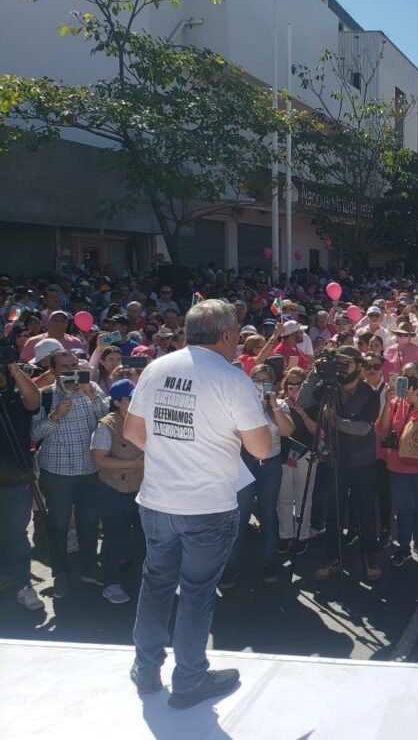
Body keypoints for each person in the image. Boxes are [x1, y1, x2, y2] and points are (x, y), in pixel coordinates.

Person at [123, 299, 271, 709]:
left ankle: (146, 669)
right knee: (196, 593)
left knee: (155, 585)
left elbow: (134, 432)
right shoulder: (232, 378)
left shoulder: (156, 367)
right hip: (207, 506)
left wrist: (174, 452)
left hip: (156, 500)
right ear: (226, 335)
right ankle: (189, 679)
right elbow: (260, 447)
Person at [299, 346, 382, 582]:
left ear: (359, 366)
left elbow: (363, 428)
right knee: (334, 511)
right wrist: (316, 372)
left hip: (362, 462)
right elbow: (303, 400)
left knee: (365, 511)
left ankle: (369, 556)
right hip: (334, 460)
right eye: (339, 363)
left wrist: (333, 419)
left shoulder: (369, 394)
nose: (342, 368)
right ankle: (332, 557)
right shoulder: (326, 389)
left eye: (346, 363)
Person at [31, 348, 108, 597]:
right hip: (57, 473)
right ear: (53, 370)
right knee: (58, 525)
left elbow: (110, 420)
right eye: (64, 367)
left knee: (88, 524)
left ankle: (88, 567)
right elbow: (33, 435)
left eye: (75, 364)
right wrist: (55, 416)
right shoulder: (43, 397)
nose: (71, 370)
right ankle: (60, 573)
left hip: (88, 470)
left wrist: (92, 396)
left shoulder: (91, 389)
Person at [221, 362, 295, 588]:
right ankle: (230, 566)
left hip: (269, 464)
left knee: (268, 513)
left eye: (265, 381)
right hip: (244, 463)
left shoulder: (280, 404)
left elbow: (288, 431)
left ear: (272, 383)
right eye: (256, 380)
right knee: (239, 515)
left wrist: (273, 406)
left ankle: (269, 562)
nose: (260, 385)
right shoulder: (240, 403)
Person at [379, 362, 418, 567]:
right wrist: (387, 401)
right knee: (403, 509)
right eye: (406, 376)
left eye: (414, 376)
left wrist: (417, 403)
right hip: (397, 464)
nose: (411, 380)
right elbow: (384, 427)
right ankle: (403, 546)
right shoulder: (395, 401)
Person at [90, 379, 144, 605]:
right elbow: (98, 459)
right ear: (118, 402)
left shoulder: (145, 421)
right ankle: (110, 583)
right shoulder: (107, 425)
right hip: (115, 491)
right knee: (114, 538)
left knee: (145, 539)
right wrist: (134, 464)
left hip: (144, 491)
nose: (136, 402)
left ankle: (144, 582)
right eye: (131, 398)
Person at [0, 352, 42, 610]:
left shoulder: (15, 400)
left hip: (16, 482)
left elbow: (34, 399)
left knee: (16, 536)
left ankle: (22, 586)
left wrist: (14, 369)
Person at [277, 367, 317, 555]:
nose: (293, 388)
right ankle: (285, 535)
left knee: (303, 497)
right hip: (284, 455)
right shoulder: (278, 403)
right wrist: (281, 408)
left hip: (306, 454)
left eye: (298, 384)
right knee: (284, 497)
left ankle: (302, 535)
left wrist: (301, 412)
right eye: (290, 384)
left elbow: (315, 432)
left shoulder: (312, 403)